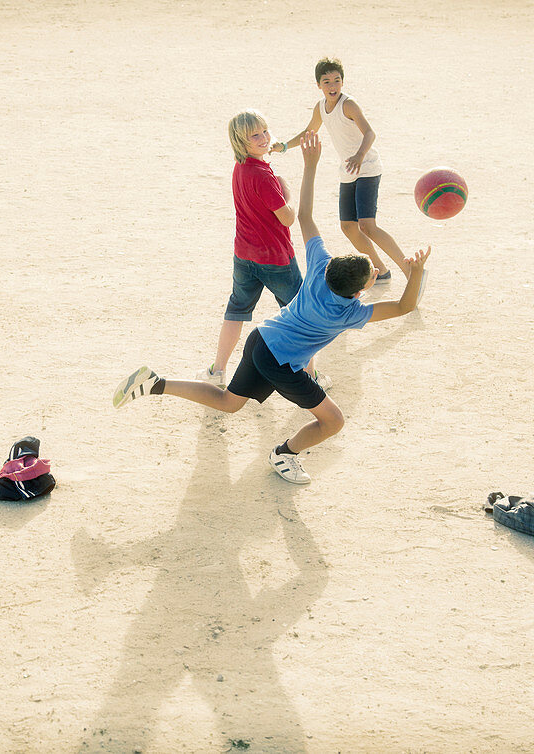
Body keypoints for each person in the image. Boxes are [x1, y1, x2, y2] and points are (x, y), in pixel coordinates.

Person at [113, 131, 429, 485]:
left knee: (230, 402)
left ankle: (155, 383)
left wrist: (310, 166)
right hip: (281, 364)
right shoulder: (349, 314)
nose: (374, 271)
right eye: (372, 273)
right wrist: (415, 273)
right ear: (359, 291)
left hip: (262, 339)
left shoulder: (320, 267)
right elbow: (404, 306)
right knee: (333, 421)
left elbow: (305, 215)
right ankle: (284, 454)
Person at [196, 109, 322, 389]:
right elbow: (288, 217)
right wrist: (286, 189)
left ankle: (217, 370)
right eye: (255, 135)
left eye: (265, 131)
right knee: (302, 313)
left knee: (236, 310)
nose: (264, 137)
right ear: (242, 142)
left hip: (244, 255)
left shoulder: (240, 168)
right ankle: (311, 376)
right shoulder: (265, 177)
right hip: (276, 259)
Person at [271, 57, 410, 282]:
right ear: (318, 85)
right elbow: (309, 131)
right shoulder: (320, 108)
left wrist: (360, 155)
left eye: (337, 80)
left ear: (342, 82)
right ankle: (380, 271)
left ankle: (410, 270)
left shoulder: (349, 104)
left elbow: (370, 133)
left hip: (367, 167)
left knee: (367, 225)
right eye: (326, 81)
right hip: (348, 171)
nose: (332, 85)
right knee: (348, 227)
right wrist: (285, 146)